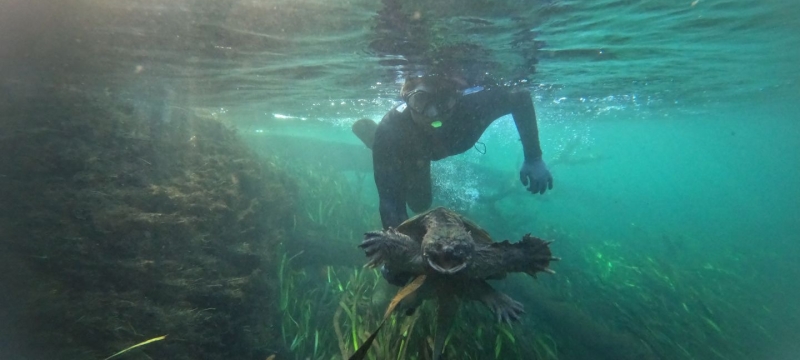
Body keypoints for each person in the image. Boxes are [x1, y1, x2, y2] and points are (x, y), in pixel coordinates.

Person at [353, 74, 553, 284]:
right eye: (420, 101)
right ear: (405, 97)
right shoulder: (391, 130)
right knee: (417, 203)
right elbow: (390, 201)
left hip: (422, 155)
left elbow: (519, 96)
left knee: (421, 202)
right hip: (410, 155)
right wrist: (398, 254)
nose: (433, 113)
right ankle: (380, 147)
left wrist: (534, 156)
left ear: (458, 97)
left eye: (443, 100)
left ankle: (411, 164)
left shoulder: (472, 107)